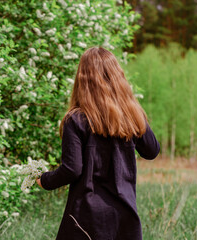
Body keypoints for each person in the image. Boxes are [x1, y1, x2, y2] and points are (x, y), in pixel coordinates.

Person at [36, 47, 160, 240]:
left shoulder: (75, 120)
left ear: (82, 79)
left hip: (86, 218)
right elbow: (152, 151)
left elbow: (72, 169)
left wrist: (45, 180)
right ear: (118, 79)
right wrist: (133, 108)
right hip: (125, 215)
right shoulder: (130, 117)